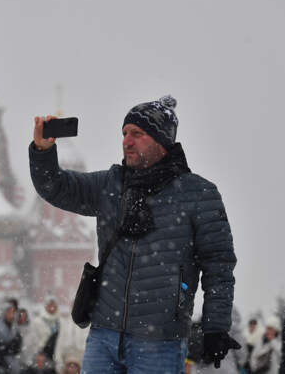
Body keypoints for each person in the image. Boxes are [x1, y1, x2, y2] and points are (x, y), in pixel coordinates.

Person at [29, 96, 239, 373]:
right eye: (124, 133)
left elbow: (219, 266)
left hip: (159, 341)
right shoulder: (111, 185)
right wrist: (43, 151)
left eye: (137, 134)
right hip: (104, 335)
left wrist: (215, 326)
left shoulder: (199, 195)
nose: (127, 141)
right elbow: (56, 187)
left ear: (161, 141)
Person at [0, 299, 23, 373]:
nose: (12, 315)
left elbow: (17, 347)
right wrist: (9, 346)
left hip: (14, 364)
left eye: (13, 312)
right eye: (9, 312)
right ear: (4, 313)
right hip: (0, 366)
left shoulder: (14, 327)